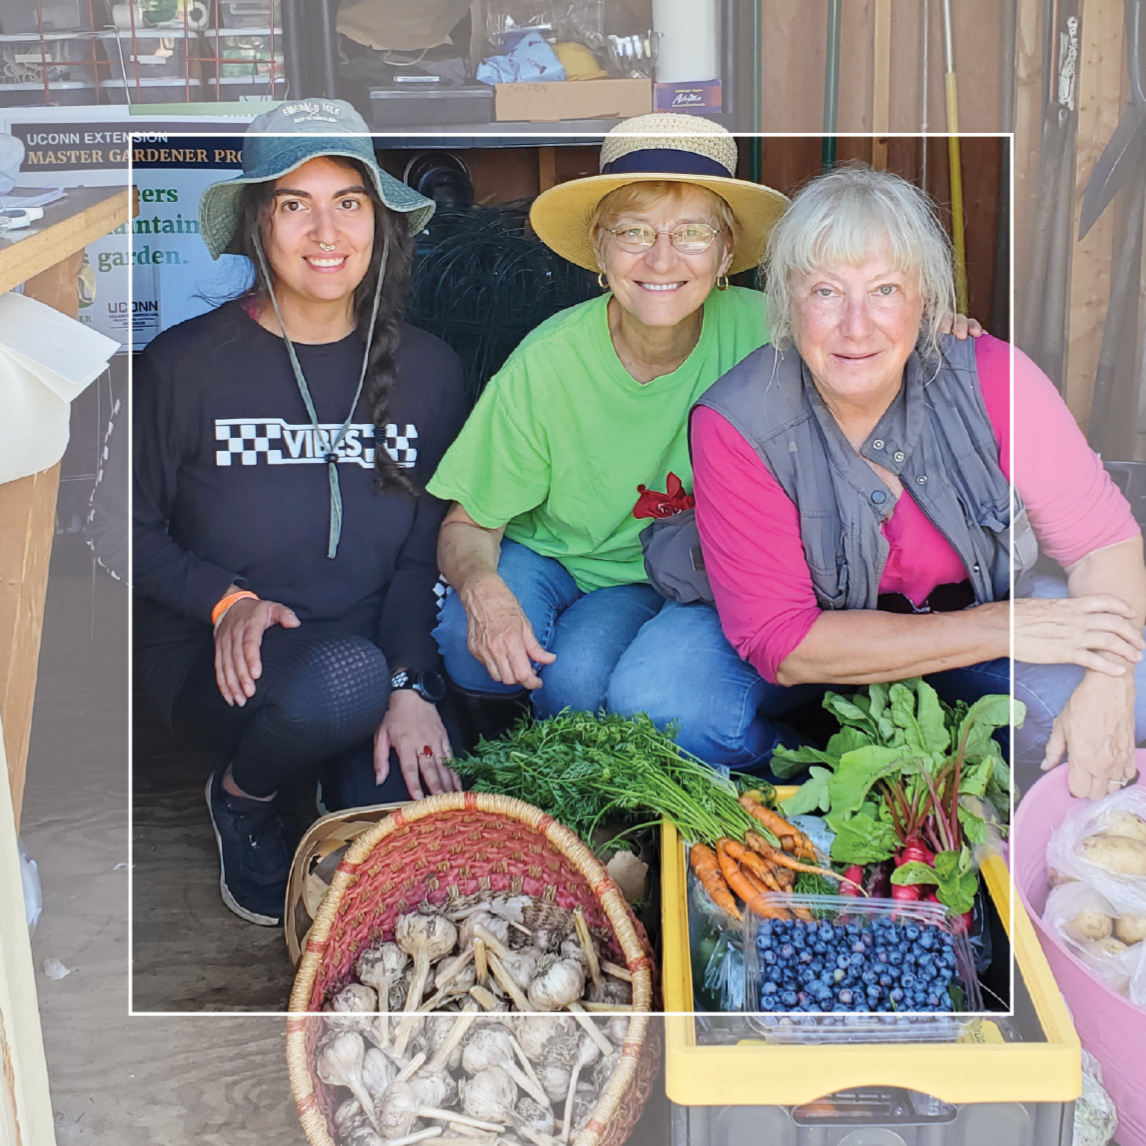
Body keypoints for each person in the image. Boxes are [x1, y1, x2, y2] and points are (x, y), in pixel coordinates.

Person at [428, 116, 974, 766]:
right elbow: (465, 526)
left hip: (691, 573)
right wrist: (484, 591)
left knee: (580, 677)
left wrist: (928, 328)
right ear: (601, 253)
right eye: (634, 233)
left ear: (725, 255)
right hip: (558, 559)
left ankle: (760, 773)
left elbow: (863, 340)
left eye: (692, 233)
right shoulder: (547, 362)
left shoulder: (772, 335)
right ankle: (508, 783)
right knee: (467, 633)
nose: (662, 259)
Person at [690, 163, 1146, 803]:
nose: (856, 325)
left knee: (1138, 690)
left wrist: (1111, 675)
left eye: (884, 290)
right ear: (788, 302)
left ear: (925, 300)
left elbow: (1103, 544)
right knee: (671, 700)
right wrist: (1002, 627)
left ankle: (1001, 803)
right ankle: (810, 785)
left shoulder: (990, 375)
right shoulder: (736, 421)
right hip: (822, 660)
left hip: (973, 625)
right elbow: (783, 642)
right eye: (825, 291)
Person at [132, 100, 466, 926]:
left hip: (371, 649)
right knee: (332, 686)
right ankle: (245, 794)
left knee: (416, 843)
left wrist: (410, 681)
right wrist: (225, 600)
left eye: (348, 202)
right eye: (294, 203)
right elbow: (118, 531)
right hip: (222, 656)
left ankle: (327, 760)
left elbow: (425, 554)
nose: (326, 230)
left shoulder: (429, 371)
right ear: (257, 223)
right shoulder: (183, 365)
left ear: (378, 224)